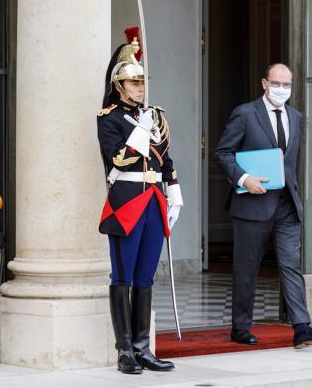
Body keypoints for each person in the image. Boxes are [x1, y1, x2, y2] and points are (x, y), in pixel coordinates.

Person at [214, 63, 312, 349]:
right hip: (252, 203)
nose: (282, 90)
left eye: (287, 85)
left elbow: (293, 163)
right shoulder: (245, 114)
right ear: (265, 83)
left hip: (286, 204)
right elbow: (223, 152)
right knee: (247, 268)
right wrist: (244, 178)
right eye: (277, 84)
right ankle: (240, 327)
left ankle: (301, 327)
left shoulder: (297, 117)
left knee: (291, 265)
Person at [97, 27, 182, 374]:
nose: (140, 88)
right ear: (119, 85)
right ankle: (124, 352)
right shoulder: (110, 119)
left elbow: (165, 159)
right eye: (133, 83)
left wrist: (174, 191)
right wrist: (139, 130)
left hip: (153, 200)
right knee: (124, 276)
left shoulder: (156, 114)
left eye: (142, 82)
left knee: (145, 276)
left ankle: (143, 348)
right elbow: (117, 158)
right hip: (126, 201)